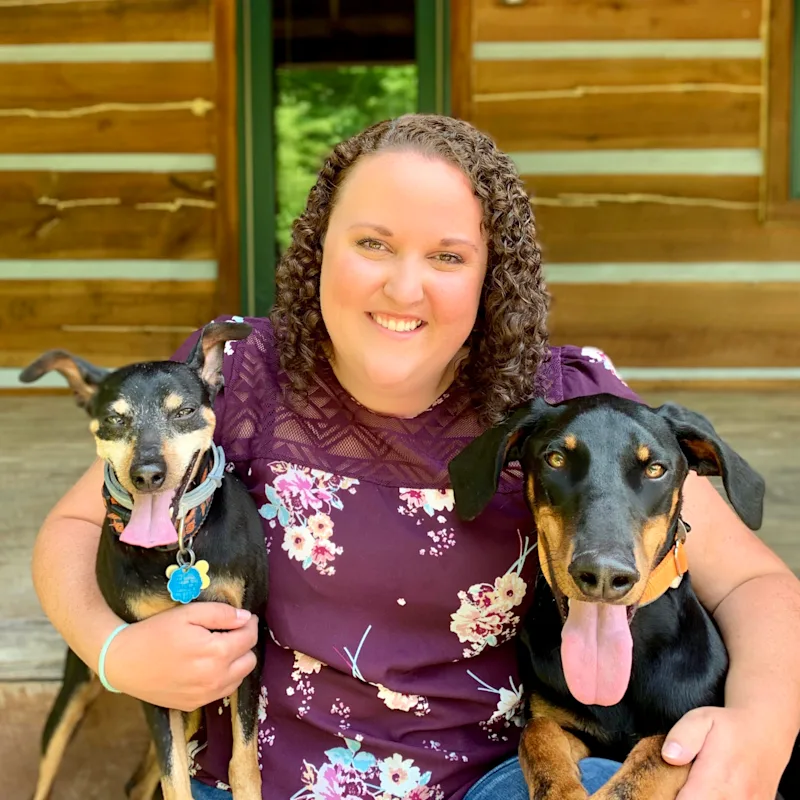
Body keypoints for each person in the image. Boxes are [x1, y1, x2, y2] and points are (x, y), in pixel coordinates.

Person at [32, 114, 800, 800]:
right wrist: (114, 653)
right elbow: (72, 527)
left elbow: (756, 583)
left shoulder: (565, 406)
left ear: (490, 274)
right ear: (317, 247)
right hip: (256, 777)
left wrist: (763, 725)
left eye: (447, 256)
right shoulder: (231, 377)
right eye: (372, 243)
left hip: (493, 776)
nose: (404, 286)